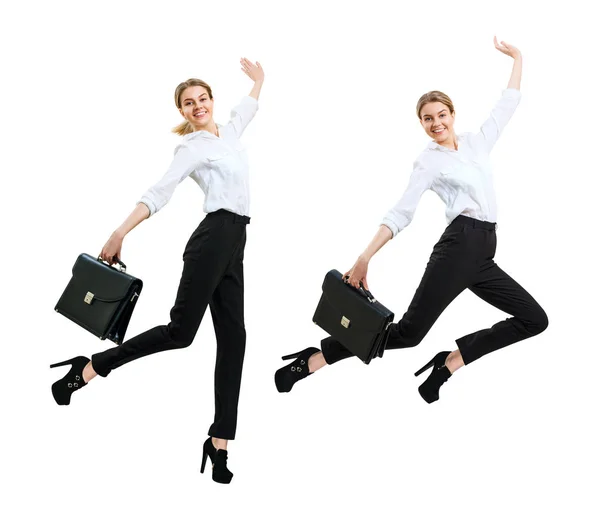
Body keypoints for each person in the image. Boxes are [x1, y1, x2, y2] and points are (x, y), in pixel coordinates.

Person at [275, 37, 548, 403]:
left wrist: (517, 56)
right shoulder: (428, 161)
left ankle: (450, 363)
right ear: (421, 123)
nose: (436, 123)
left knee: (534, 319)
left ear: (452, 114)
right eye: (427, 118)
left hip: (483, 254)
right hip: (459, 249)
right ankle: (316, 359)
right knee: (407, 334)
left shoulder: (478, 143)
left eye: (441, 115)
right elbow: (401, 213)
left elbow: (508, 103)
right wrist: (365, 256)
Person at [50, 57, 264, 484]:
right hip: (212, 240)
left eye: (203, 98)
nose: (198, 106)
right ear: (182, 112)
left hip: (236, 241)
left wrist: (259, 80)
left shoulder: (230, 132)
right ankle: (91, 367)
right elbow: (159, 191)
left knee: (235, 339)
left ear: (211, 101)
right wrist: (119, 232)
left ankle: (219, 442)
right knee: (181, 333)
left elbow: (248, 106)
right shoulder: (190, 147)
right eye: (189, 103)